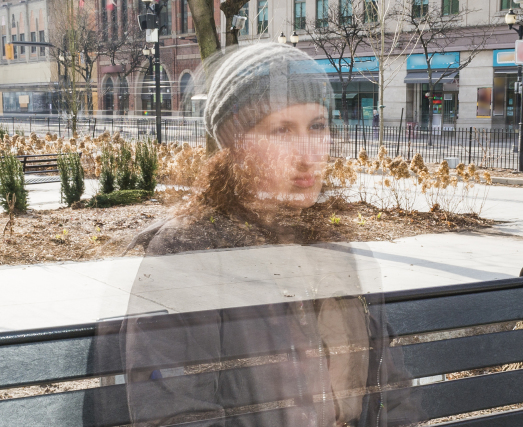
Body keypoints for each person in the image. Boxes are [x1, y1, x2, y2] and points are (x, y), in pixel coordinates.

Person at [106, 43, 421, 427]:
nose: (308, 153)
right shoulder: (189, 251)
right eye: (282, 131)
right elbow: (175, 413)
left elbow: (390, 385)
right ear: (235, 147)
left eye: (317, 126)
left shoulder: (329, 245)